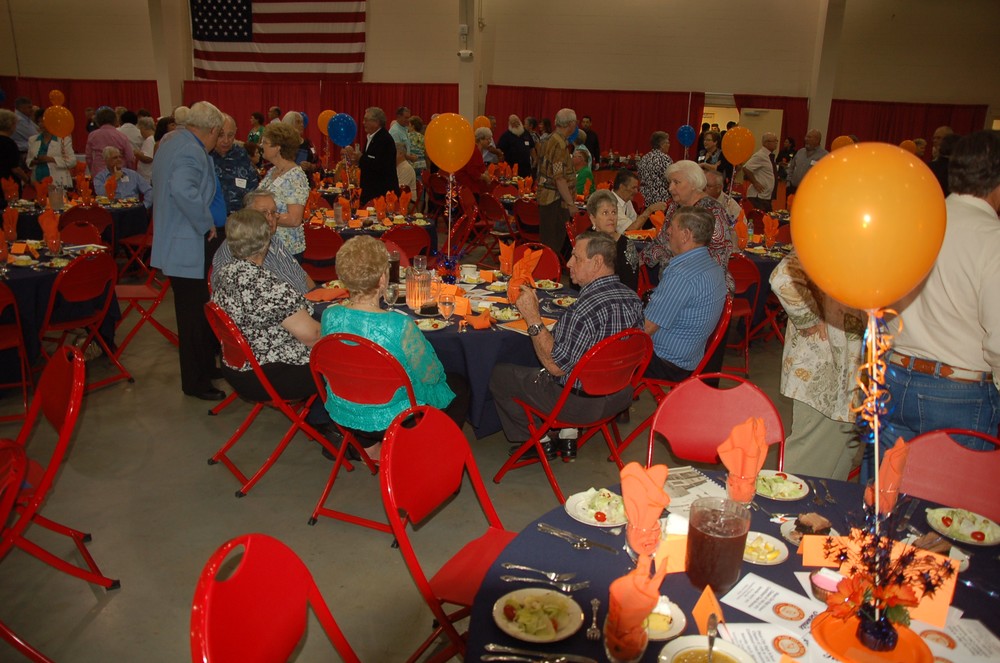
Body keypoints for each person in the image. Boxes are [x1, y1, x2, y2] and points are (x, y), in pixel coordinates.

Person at [884, 130, 1000, 453]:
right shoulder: (992, 239)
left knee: (885, 482)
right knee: (951, 488)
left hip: (895, 375)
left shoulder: (913, 222)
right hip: (959, 391)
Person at [489, 231, 644, 460]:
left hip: (580, 405)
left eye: (576, 258)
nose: (569, 263)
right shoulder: (633, 299)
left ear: (597, 262)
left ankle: (538, 442)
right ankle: (565, 435)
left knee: (500, 375)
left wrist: (533, 318)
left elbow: (555, 367)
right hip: (619, 396)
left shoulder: (583, 309)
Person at [320, 236, 469, 458]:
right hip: (394, 417)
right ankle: (429, 455)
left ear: (342, 277)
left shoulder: (330, 316)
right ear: (383, 279)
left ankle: (369, 448)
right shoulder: (399, 325)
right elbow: (431, 375)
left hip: (346, 408)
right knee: (459, 386)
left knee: (364, 377)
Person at [151, 100, 227, 401]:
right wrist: (206, 222)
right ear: (212, 130)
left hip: (174, 238)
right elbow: (184, 190)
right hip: (187, 243)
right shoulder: (191, 150)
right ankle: (195, 382)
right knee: (193, 316)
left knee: (198, 310)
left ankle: (205, 367)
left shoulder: (171, 140)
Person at [211, 208, 322, 403]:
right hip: (266, 375)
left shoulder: (224, 273)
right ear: (266, 241)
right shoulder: (267, 285)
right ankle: (331, 416)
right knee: (344, 357)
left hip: (236, 366)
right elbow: (312, 337)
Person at [770, 249, 864, 479]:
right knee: (806, 470)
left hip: (848, 373)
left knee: (835, 467)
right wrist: (812, 319)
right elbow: (783, 277)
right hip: (829, 369)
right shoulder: (839, 234)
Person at [644, 207, 728, 382]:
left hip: (666, 362)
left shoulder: (681, 274)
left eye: (672, 226)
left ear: (685, 235)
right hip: (692, 357)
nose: (667, 231)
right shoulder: (714, 268)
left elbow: (647, 328)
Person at [641, 160, 734, 292]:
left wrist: (684, 277)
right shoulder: (675, 207)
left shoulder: (712, 210)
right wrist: (635, 261)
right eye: (670, 182)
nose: (670, 188)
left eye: (676, 182)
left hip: (703, 286)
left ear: (693, 184)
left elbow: (719, 254)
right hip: (672, 281)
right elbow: (662, 241)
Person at [213, 190, 314, 295]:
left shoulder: (274, 241)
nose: (270, 218)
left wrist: (317, 295)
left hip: (306, 299)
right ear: (248, 215)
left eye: (273, 212)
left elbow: (302, 275)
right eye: (263, 213)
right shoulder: (237, 246)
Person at [259, 121, 309, 257]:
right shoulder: (272, 171)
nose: (261, 146)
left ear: (278, 147)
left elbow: (294, 219)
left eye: (265, 142)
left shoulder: (296, 176)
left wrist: (261, 216)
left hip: (285, 250)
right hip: (266, 246)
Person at [535, 108, 577, 256]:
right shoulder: (559, 144)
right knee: (552, 245)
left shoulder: (548, 139)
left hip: (546, 196)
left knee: (548, 242)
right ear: (571, 124)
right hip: (555, 201)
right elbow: (559, 177)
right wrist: (571, 203)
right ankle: (548, 269)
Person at [587, 189, 641, 292]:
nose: (611, 218)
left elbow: (630, 285)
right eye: (605, 213)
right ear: (593, 218)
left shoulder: (626, 245)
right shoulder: (585, 241)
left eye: (614, 212)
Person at [347, 106, 398, 206]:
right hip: (371, 190)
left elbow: (381, 166)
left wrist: (361, 158)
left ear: (376, 122)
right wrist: (357, 160)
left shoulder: (384, 139)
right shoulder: (371, 137)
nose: (363, 123)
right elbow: (368, 162)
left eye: (366, 120)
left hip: (381, 193)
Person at [211, 114, 259, 215]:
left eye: (230, 135)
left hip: (240, 218)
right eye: (221, 135)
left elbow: (253, 187)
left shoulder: (241, 154)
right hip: (212, 219)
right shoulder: (205, 156)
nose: (226, 140)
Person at [611, 169, 667, 235]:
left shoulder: (626, 200)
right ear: (622, 187)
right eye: (633, 188)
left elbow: (635, 221)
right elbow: (630, 230)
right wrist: (649, 210)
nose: (636, 191)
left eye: (637, 188)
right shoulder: (610, 202)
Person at [27, 115, 76, 189]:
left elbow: (72, 161)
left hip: (58, 181)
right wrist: (34, 161)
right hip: (37, 181)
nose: (40, 124)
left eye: (43, 122)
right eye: (39, 122)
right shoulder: (32, 140)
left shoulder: (63, 139)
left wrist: (51, 159)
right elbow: (28, 160)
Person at [86, 106, 135, 175]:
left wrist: (92, 170)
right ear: (115, 120)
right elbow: (130, 158)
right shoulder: (121, 136)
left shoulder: (92, 135)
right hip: (118, 172)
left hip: (98, 172)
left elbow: (89, 158)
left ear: (97, 121)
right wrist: (130, 172)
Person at [742, 132, 779, 211]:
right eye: (774, 141)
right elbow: (746, 168)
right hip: (758, 197)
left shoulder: (770, 156)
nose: (776, 143)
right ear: (766, 143)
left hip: (765, 196)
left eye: (777, 141)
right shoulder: (760, 155)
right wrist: (755, 183)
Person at [0, 110, 28, 210]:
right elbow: (15, 168)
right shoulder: (9, 143)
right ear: (11, 125)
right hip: (8, 184)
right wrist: (27, 180)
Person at [637, 131, 674, 206]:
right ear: (661, 145)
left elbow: (639, 176)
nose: (669, 145)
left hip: (644, 199)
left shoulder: (644, 158)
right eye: (667, 143)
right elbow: (671, 178)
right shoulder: (665, 158)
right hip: (660, 200)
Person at [786, 130, 828, 194]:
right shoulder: (800, 152)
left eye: (809, 137)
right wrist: (788, 182)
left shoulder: (824, 156)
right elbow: (791, 167)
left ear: (817, 140)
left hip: (810, 192)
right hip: (792, 189)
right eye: (806, 137)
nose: (806, 139)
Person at [455, 127, 492, 195]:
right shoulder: (474, 151)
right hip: (466, 185)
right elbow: (472, 171)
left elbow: (481, 167)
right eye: (488, 139)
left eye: (490, 139)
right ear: (480, 140)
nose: (490, 141)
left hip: (469, 181)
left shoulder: (478, 149)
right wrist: (485, 178)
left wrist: (486, 173)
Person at [134, 116, 155, 183]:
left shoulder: (149, 140)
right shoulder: (153, 138)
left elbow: (148, 158)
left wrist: (137, 153)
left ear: (143, 128)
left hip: (147, 177)